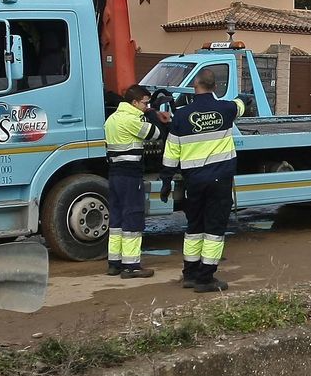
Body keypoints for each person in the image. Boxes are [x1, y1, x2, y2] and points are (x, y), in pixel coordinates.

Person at [161, 68, 245, 292]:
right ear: (215, 87)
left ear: (194, 87)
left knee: (194, 226)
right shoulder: (226, 109)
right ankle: (205, 278)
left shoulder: (180, 115)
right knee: (214, 228)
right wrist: (242, 99)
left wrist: (166, 181)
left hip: (194, 182)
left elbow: (171, 152)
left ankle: (189, 273)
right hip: (219, 180)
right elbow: (240, 105)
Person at [104, 84, 160, 278]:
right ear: (134, 102)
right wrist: (153, 115)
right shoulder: (131, 121)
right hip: (130, 176)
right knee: (133, 217)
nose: (147, 106)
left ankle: (114, 263)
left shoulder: (111, 119)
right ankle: (132, 266)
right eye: (145, 103)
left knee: (117, 219)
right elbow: (155, 134)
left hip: (115, 174)